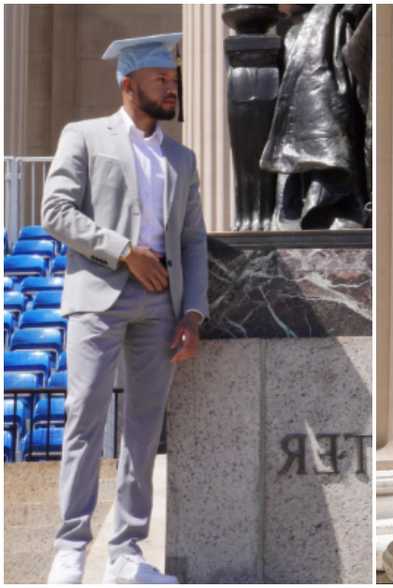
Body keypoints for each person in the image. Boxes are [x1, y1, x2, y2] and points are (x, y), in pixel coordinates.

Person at [41, 32, 208, 584]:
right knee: (84, 419)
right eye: (162, 79)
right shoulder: (85, 136)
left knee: (142, 430)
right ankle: (70, 548)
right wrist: (122, 252)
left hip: (163, 303)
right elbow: (56, 211)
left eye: (174, 79)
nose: (171, 87)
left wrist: (193, 314)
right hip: (98, 293)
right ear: (129, 83)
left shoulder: (181, 157)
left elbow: (192, 240)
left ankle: (127, 556)